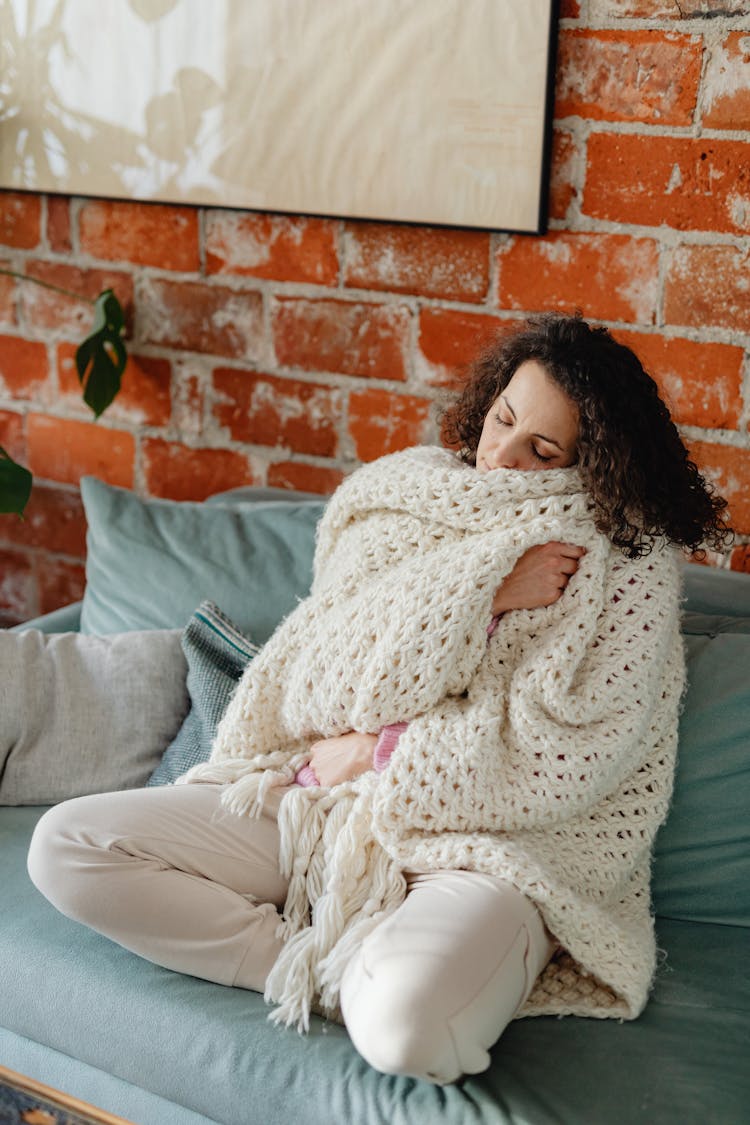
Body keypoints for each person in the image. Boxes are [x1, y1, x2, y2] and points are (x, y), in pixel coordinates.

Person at [28, 312, 731, 1085]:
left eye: (542, 451)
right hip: (321, 808)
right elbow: (314, 680)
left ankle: (369, 958)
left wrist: (381, 750)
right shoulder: (397, 498)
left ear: (596, 465)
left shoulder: (626, 568)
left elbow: (558, 758)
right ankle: (310, 960)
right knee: (66, 847)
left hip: (494, 852)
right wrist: (484, 592)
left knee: (405, 1032)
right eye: (502, 419)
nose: (500, 456)